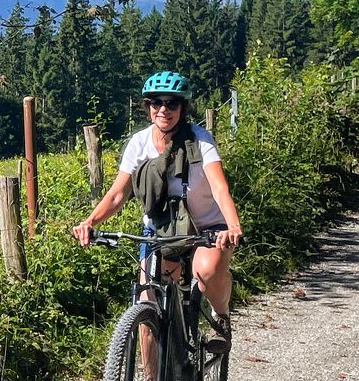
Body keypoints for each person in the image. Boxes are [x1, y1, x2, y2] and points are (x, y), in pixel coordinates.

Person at [72, 70, 246, 355]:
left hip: (207, 227)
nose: (163, 109)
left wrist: (233, 225)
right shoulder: (139, 143)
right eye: (156, 103)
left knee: (206, 271)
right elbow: (118, 193)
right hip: (161, 230)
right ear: (148, 107)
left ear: (183, 107)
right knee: (147, 299)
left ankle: (221, 317)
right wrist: (89, 222)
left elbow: (218, 187)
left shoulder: (200, 140)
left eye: (172, 103)